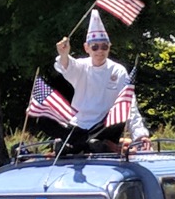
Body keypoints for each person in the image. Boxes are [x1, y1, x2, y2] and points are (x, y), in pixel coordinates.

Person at [42, 9, 150, 153]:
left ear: (109, 47)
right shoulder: (81, 66)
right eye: (95, 47)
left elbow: (129, 104)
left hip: (103, 127)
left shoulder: (118, 70)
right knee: (44, 119)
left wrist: (140, 134)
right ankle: (91, 145)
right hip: (79, 126)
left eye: (104, 46)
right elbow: (67, 66)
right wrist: (64, 55)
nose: (100, 51)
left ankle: (81, 145)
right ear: (87, 48)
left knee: (117, 119)